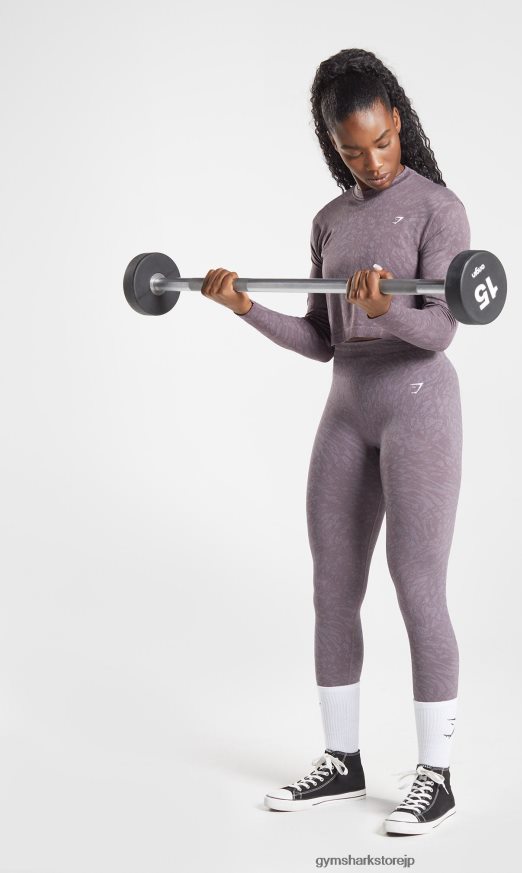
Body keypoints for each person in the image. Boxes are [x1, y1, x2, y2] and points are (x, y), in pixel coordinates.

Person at [201, 48, 470, 836]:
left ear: (399, 122)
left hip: (420, 405)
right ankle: (341, 760)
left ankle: (436, 776)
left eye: (382, 142)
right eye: (354, 151)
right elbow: (323, 339)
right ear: (332, 145)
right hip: (348, 408)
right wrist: (245, 306)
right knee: (332, 586)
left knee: (416, 585)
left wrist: (388, 310)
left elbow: (442, 330)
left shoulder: (439, 208)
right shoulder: (330, 221)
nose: (373, 162)